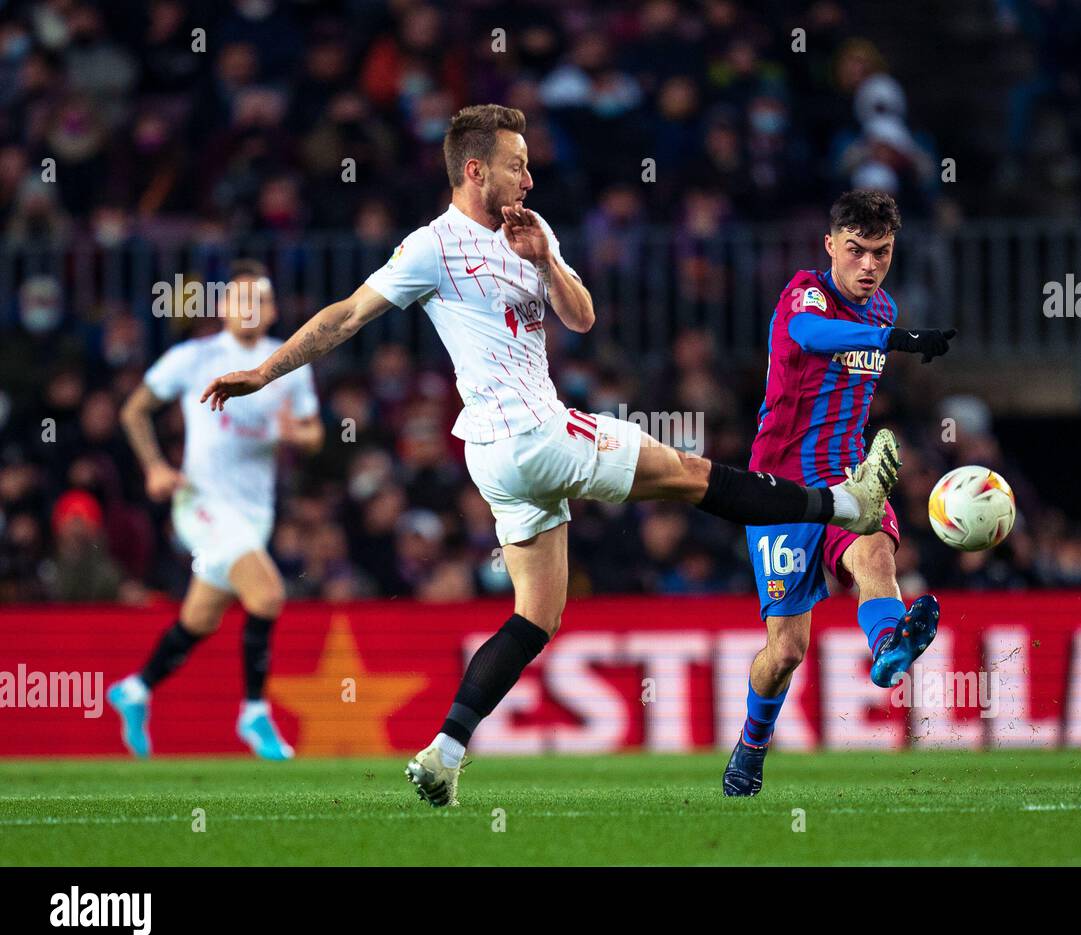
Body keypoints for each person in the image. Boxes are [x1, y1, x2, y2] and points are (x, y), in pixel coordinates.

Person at [197, 105, 913, 806]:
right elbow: (346, 315)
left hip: (497, 460)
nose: (530, 178)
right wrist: (265, 372)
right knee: (693, 475)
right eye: (517, 165)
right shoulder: (431, 246)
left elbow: (582, 315)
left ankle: (444, 753)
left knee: (536, 615)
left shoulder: (529, 233)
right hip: (535, 435)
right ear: (476, 171)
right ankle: (842, 504)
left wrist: (544, 258)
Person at [723, 189, 955, 797]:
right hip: (779, 487)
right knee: (787, 650)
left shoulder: (882, 307)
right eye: (856, 251)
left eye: (881, 252)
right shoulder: (806, 292)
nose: (869, 265)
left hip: (848, 478)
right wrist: (899, 341)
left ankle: (887, 648)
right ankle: (750, 749)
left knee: (876, 553)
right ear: (831, 247)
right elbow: (809, 333)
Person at [107, 261, 323, 759]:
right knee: (267, 595)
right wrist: (155, 467)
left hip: (254, 512)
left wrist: (297, 435)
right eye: (241, 299)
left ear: (271, 310)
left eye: (261, 300)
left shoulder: (289, 362)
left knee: (200, 619)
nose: (251, 309)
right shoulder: (193, 357)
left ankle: (134, 690)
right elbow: (133, 410)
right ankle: (254, 715)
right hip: (200, 504)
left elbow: (314, 434)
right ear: (224, 307)